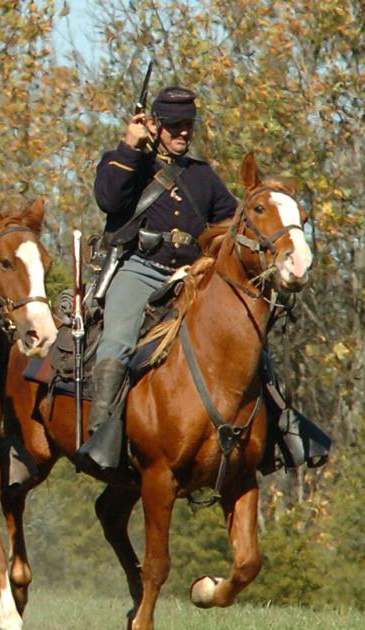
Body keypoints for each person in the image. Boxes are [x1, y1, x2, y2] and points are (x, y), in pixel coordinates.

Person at [76, 86, 238, 475]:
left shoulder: (202, 175)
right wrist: (129, 147)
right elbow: (109, 200)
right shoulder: (127, 162)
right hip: (142, 267)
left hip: (194, 276)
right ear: (153, 126)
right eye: (175, 125)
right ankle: (102, 432)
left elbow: (230, 224)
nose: (184, 132)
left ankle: (280, 425)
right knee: (118, 338)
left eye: (189, 125)